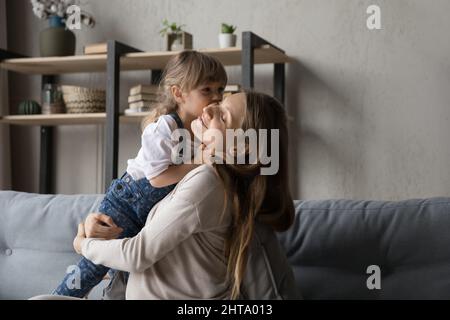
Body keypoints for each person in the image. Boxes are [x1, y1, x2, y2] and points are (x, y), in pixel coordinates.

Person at [52, 50, 228, 298]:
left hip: (150, 212)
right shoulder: (165, 126)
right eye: (207, 90)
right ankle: (59, 296)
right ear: (178, 93)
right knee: (92, 268)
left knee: (120, 275)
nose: (216, 97)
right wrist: (198, 162)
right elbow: (157, 178)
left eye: (220, 90)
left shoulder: (200, 129)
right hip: (127, 202)